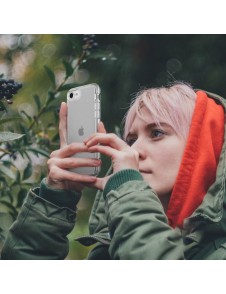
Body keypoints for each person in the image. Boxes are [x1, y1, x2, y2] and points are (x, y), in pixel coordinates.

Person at [1, 81, 226, 259]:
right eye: (131, 139)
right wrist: (54, 201)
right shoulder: (112, 246)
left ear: (204, 144)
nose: (134, 151)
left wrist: (127, 188)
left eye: (156, 133)